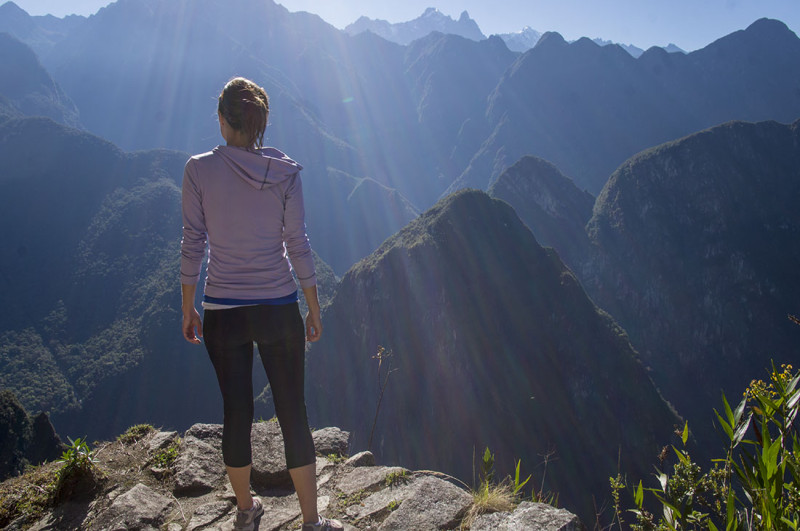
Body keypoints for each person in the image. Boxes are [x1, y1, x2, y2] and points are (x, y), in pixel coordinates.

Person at [180, 77, 343, 531]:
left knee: (236, 410)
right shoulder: (285, 173)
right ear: (261, 125)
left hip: (222, 311)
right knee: (293, 408)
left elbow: (193, 244)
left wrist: (188, 305)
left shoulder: (197, 170)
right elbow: (298, 244)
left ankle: (246, 511)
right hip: (278, 307)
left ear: (221, 119)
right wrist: (313, 305)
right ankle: (311, 520)